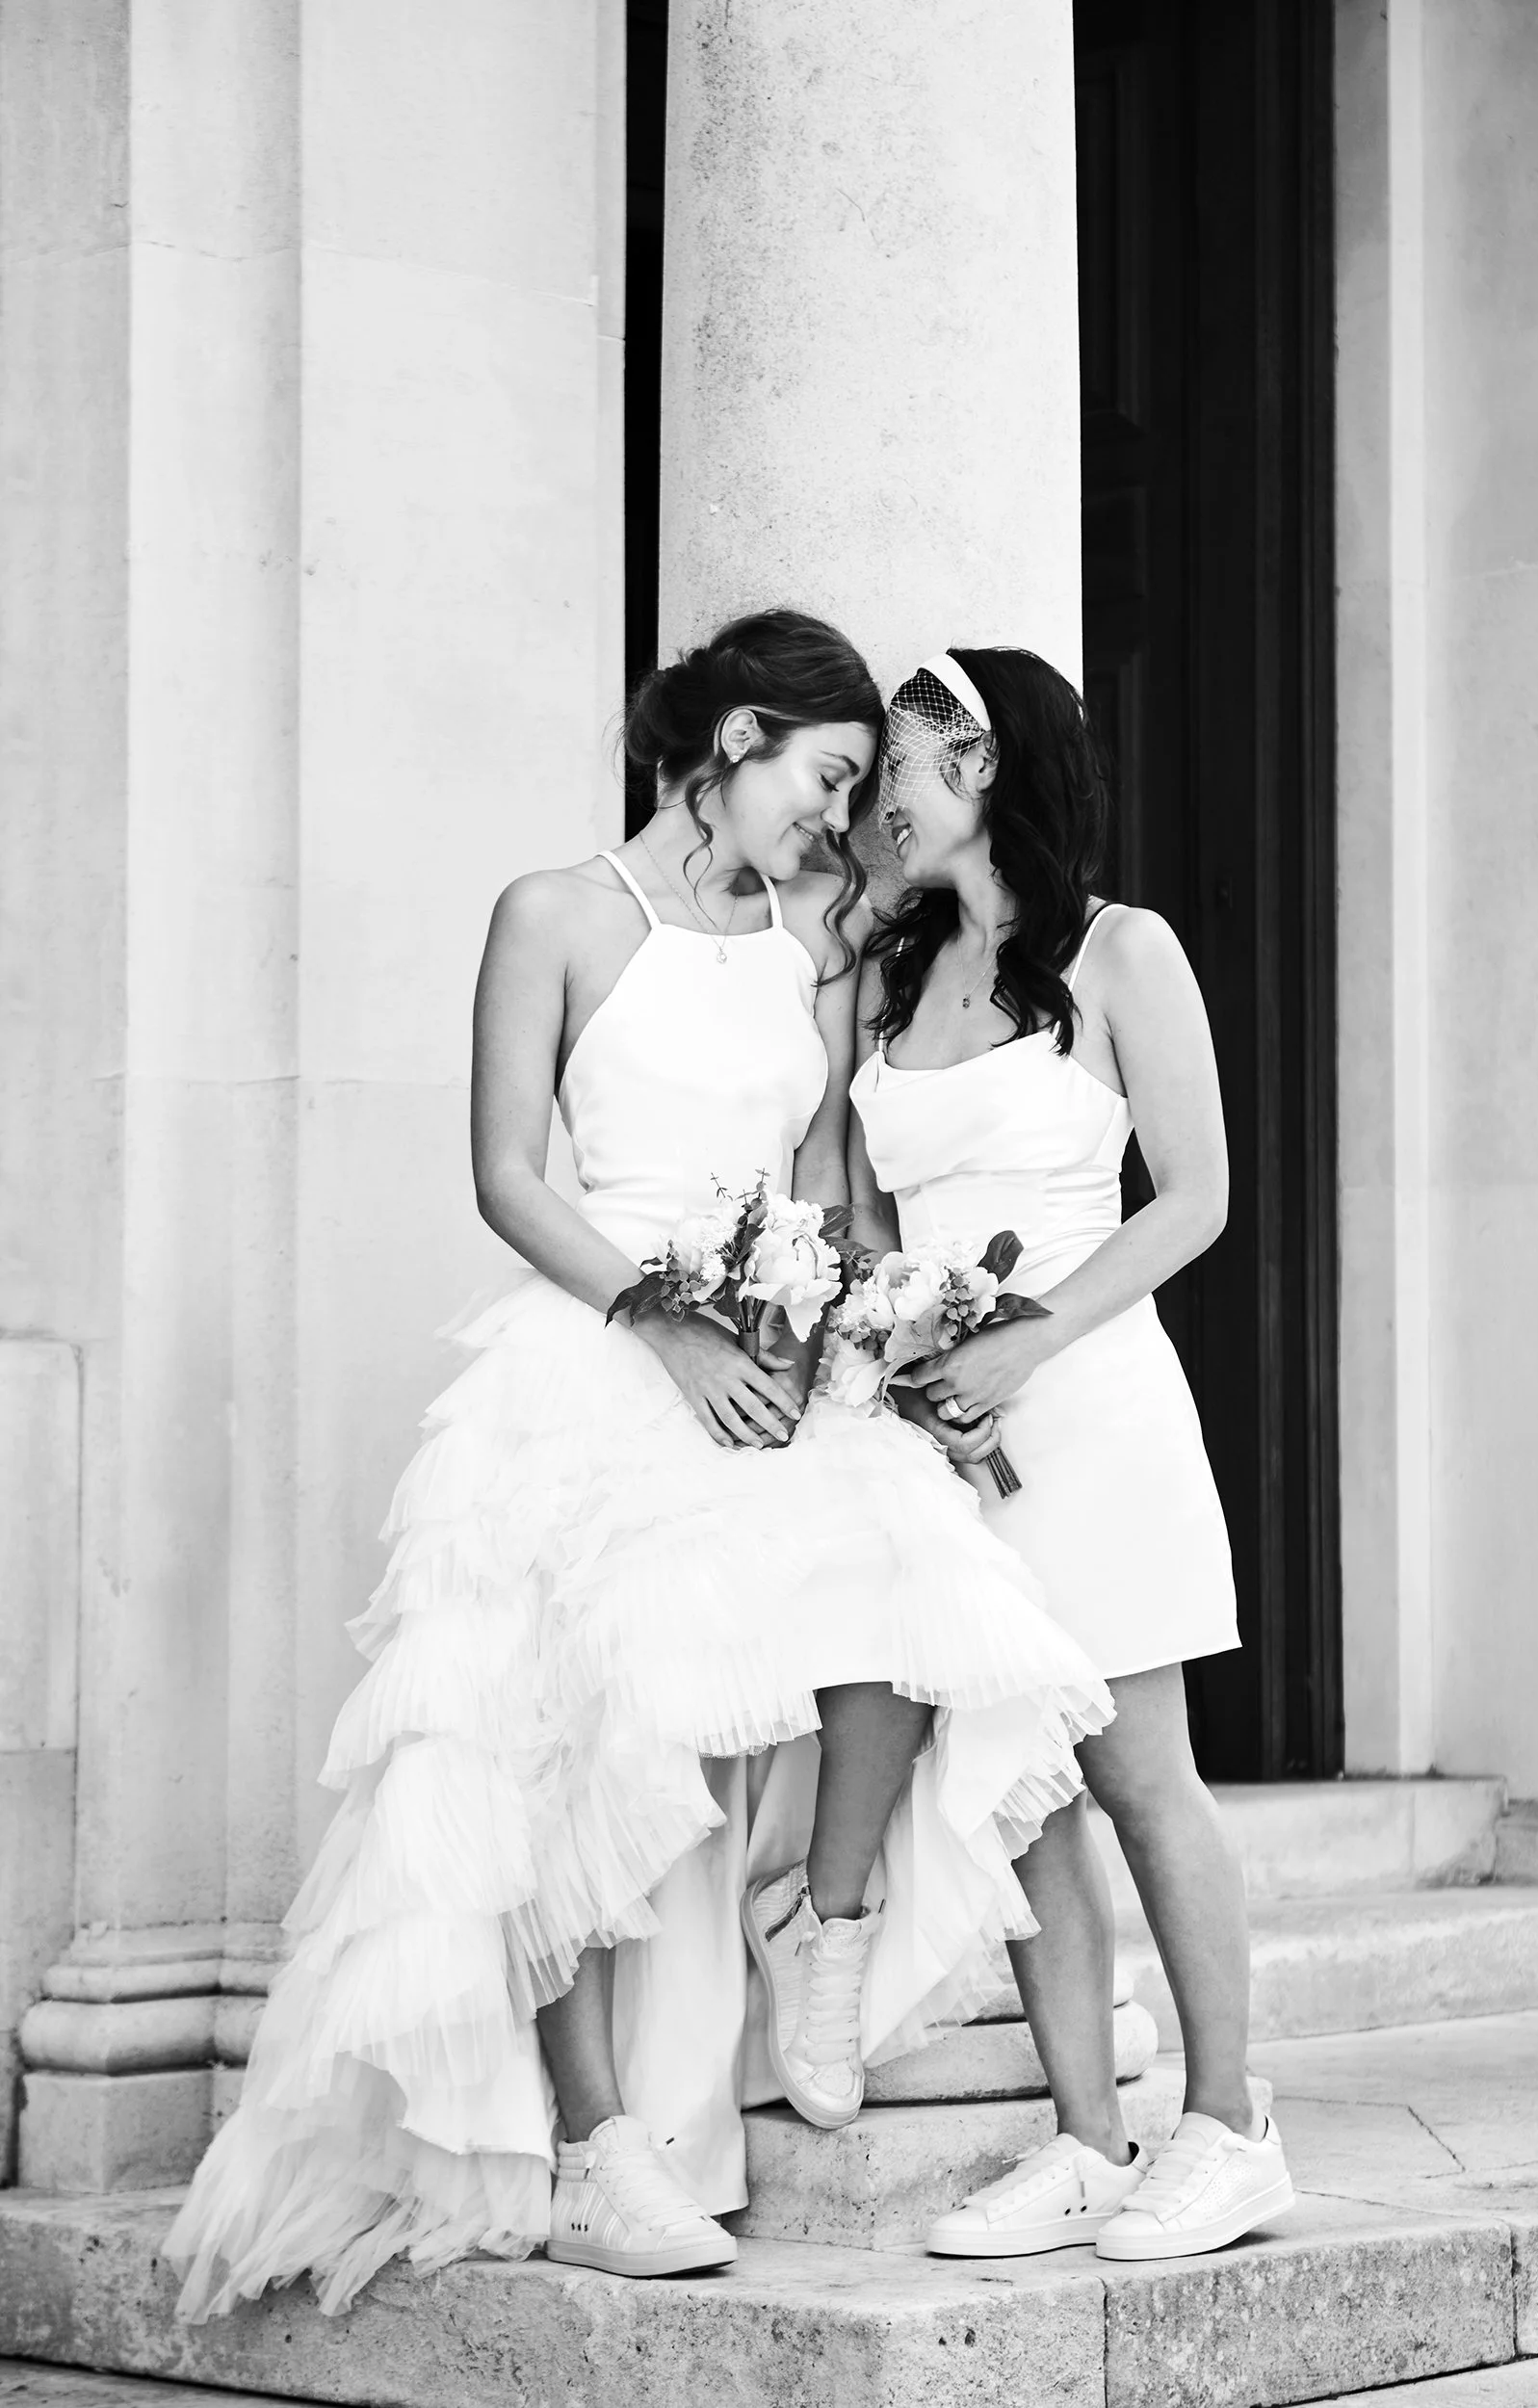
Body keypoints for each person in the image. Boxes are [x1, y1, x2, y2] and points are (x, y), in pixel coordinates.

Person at [166, 613, 1110, 2319]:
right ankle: (596, 2143)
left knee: (921, 1573)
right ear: (734, 742)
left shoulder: (816, 936)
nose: (840, 819)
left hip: (769, 1340)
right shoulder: (555, 916)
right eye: (825, 779)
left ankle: (825, 1937)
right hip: (603, 1337)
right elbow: (507, 1176)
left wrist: (851, 1332)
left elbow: (824, 1160)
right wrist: (665, 1324)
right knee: (573, 1710)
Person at [848, 647, 1294, 2262]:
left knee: (1137, 1772)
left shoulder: (1123, 953)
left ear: (982, 765)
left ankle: (1232, 2124)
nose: (879, 788)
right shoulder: (894, 973)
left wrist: (1027, 1337)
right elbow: (880, 1224)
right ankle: (1086, 2139)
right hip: (952, 1442)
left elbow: (1198, 1195)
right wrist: (909, 1374)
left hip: (1094, 1409)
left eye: (902, 757)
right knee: (1026, 1790)